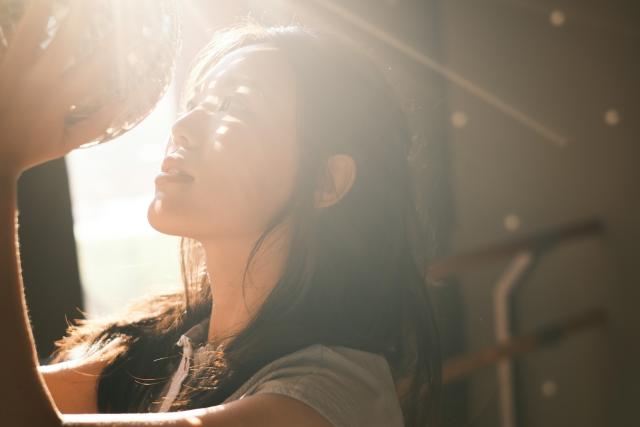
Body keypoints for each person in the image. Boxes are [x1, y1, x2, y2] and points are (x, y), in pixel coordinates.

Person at [0, 2, 441, 426]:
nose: (182, 127)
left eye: (235, 107)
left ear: (326, 182)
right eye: (197, 102)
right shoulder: (161, 354)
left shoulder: (330, 396)